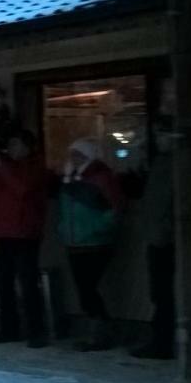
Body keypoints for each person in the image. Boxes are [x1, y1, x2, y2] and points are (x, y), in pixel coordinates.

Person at [0, 130, 49, 348]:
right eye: (10, 144)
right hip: (1, 231)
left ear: (28, 147)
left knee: (28, 284)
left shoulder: (33, 165)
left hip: (25, 232)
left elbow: (23, 188)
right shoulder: (1, 168)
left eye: (16, 144)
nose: (12, 149)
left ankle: (36, 330)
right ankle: (9, 329)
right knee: (3, 284)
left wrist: (1, 165)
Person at [58, 139, 125, 351]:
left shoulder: (100, 178)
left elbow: (116, 208)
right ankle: (99, 332)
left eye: (78, 155)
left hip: (95, 242)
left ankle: (100, 333)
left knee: (87, 289)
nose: (74, 159)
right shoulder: (71, 179)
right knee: (85, 289)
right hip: (76, 241)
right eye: (72, 155)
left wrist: (96, 229)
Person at [132, 117, 177, 360]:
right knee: (160, 292)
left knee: (166, 293)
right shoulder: (160, 162)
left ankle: (164, 343)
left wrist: (166, 231)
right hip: (157, 235)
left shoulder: (180, 164)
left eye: (162, 134)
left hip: (169, 238)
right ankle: (161, 340)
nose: (159, 140)